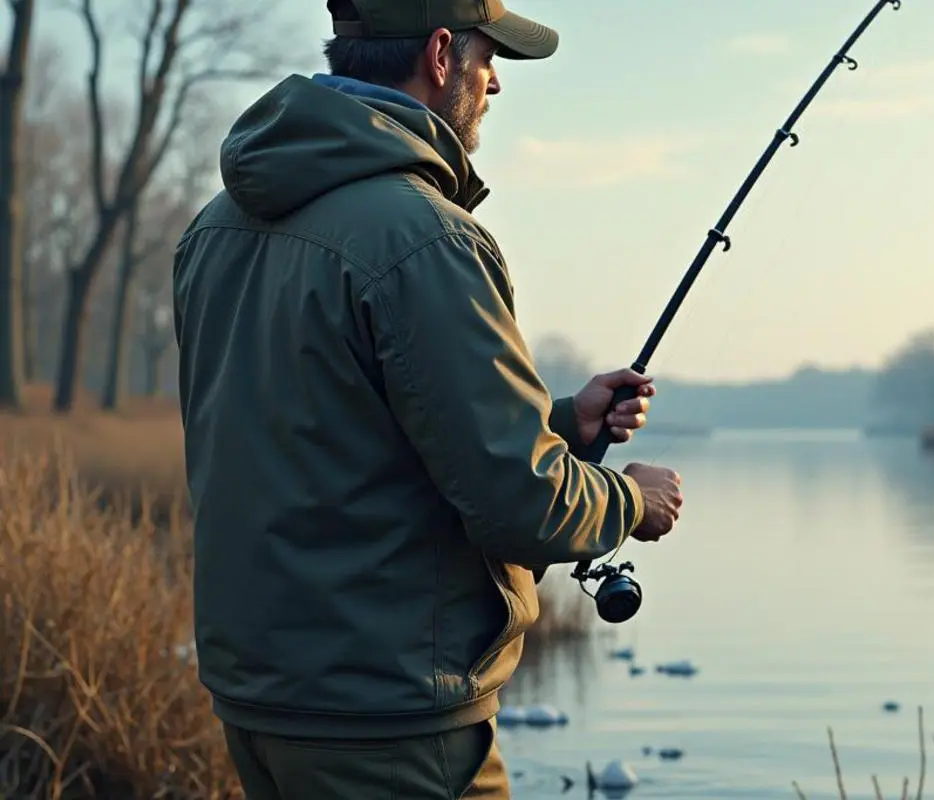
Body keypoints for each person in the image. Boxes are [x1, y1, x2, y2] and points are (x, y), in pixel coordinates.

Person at [170, 0, 686, 797]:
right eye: (490, 59)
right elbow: (521, 503)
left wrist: (560, 425)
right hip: (392, 724)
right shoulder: (426, 238)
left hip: (263, 707)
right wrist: (629, 501)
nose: (495, 84)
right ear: (442, 54)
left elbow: (331, 438)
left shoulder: (216, 228)